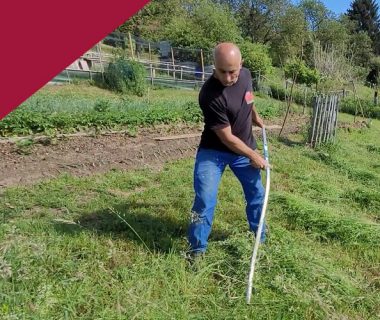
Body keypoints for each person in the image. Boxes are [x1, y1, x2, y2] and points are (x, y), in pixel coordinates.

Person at [188, 42, 269, 258]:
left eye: (232, 71)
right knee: (204, 199)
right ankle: (196, 250)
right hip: (214, 151)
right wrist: (253, 155)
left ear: (241, 66)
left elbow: (248, 99)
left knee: (257, 195)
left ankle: (260, 238)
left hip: (243, 148)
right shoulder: (209, 95)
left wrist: (255, 117)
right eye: (221, 71)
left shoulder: (246, 76)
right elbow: (227, 137)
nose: (227, 77)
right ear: (214, 66)